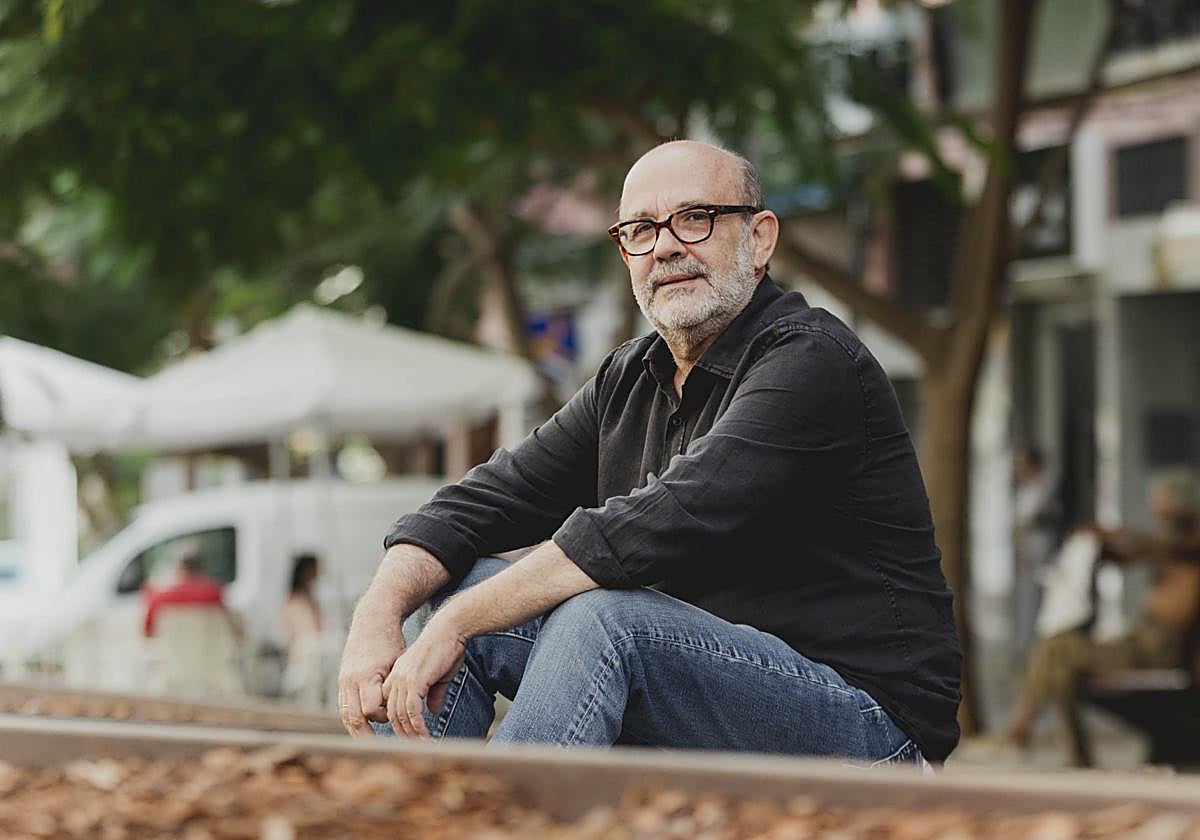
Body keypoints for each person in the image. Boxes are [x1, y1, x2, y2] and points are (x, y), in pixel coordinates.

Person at [338, 140, 962, 765]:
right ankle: (409, 816)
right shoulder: (630, 379)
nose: (665, 246)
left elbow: (650, 525)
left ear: (760, 238)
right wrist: (379, 614)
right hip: (705, 694)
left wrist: (457, 624)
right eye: (640, 229)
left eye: (696, 218)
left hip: (869, 726)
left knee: (602, 622)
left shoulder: (812, 362)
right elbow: (478, 505)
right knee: (454, 585)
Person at [1003, 467, 1200, 766]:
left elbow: (1160, 548)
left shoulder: (1187, 547)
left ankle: (1019, 730)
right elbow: (1130, 555)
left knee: (1057, 647)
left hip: (1157, 651)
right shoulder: (1168, 547)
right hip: (1142, 643)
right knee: (1060, 668)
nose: (1155, 511)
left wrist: (1109, 532)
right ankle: (1075, 757)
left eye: (1160, 505)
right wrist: (1091, 550)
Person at [1011, 443, 1060, 658]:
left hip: (1042, 552)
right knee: (1026, 601)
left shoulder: (1046, 485)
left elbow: (1036, 517)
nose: (1017, 469)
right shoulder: (1025, 489)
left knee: (1039, 600)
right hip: (1027, 552)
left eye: (1021, 463)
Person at [142, 551, 225, 637]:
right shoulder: (214, 593)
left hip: (171, 649)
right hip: (207, 647)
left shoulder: (160, 597)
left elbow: (147, 632)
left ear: (180, 569)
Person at [280, 553, 326, 706]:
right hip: (301, 657)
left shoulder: (312, 599)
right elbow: (305, 633)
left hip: (315, 651)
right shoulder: (294, 601)